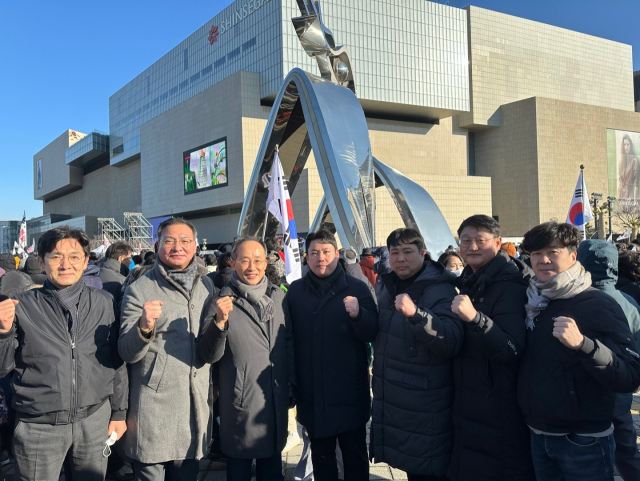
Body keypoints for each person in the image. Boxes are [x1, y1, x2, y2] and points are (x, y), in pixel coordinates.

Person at [0, 226, 128, 480]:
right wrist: (3, 333)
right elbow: (3, 368)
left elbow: (116, 361)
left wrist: (119, 412)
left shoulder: (103, 301)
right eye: (56, 256)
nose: (65, 264)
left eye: (74, 256)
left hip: (94, 419)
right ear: (41, 262)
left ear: (85, 261)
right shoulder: (20, 305)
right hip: (37, 425)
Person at [518, 222, 640, 481]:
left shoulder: (597, 303)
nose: (543, 260)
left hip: (583, 439)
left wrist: (584, 345)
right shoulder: (532, 300)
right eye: (537, 254)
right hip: (538, 433)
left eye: (553, 252)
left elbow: (630, 374)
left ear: (573, 256)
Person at [119, 217, 216, 481]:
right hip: (154, 408)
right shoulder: (140, 289)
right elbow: (126, 352)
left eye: (185, 241)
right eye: (169, 241)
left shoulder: (206, 285)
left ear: (195, 246)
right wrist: (144, 327)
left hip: (193, 407)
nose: (177, 247)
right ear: (157, 244)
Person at [370, 228, 463, 481]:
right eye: (395, 252)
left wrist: (417, 315)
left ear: (423, 253)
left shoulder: (439, 288)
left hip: (425, 403)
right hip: (398, 400)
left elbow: (451, 340)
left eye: (408, 252)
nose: (401, 259)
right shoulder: (387, 285)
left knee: (428, 469)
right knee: (414, 467)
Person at [286, 229, 378, 481]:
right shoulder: (295, 292)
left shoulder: (357, 288)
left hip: (350, 390)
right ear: (306, 257)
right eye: (314, 253)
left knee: (355, 456)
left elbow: (373, 332)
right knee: (322, 458)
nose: (320, 258)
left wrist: (359, 315)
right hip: (312, 391)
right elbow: (289, 340)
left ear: (336, 254)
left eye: (326, 252)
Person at [448, 215, 534, 481]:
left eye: (480, 240)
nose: (472, 246)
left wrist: (475, 318)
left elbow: (510, 348)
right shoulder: (468, 280)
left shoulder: (510, 285)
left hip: (498, 401)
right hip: (471, 398)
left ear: (498, 243)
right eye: (466, 240)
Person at [198, 237, 292, 481]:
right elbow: (208, 354)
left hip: (274, 399)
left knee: (271, 469)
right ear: (233, 262)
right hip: (241, 402)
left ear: (266, 262)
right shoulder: (221, 301)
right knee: (238, 469)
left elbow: (289, 344)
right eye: (245, 260)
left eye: (258, 260)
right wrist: (219, 322)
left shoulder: (278, 297)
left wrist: (291, 385)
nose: (252, 266)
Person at [577, 239, 640, 481]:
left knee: (591, 461)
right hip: (621, 395)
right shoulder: (629, 302)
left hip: (585, 398)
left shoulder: (578, 300)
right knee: (627, 452)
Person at [618, 134, 640, 201]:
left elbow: (636, 182)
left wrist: (635, 201)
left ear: (631, 145)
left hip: (631, 196)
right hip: (622, 196)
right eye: (624, 144)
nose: (626, 147)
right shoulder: (622, 162)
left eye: (628, 144)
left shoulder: (635, 160)